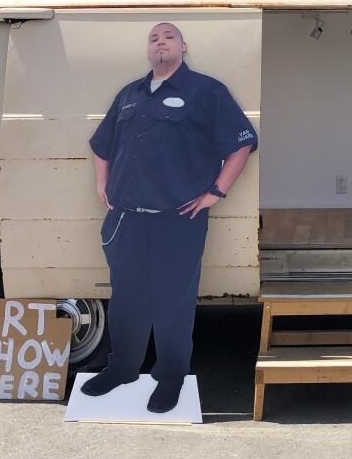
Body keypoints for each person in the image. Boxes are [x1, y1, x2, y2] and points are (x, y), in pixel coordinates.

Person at [83, 22, 256, 412]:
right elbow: (101, 144)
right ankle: (123, 368)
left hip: (177, 220)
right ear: (148, 51)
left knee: (173, 300)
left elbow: (242, 143)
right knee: (126, 298)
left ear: (183, 46)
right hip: (127, 219)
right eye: (153, 39)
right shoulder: (129, 95)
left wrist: (216, 192)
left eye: (168, 37)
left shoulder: (206, 91)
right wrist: (102, 184)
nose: (160, 43)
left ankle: (171, 375)